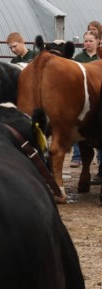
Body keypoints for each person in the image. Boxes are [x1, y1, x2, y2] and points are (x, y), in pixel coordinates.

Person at [72, 30, 100, 179]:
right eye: (86, 41)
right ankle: (78, 160)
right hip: (83, 100)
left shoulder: (100, 57)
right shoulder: (78, 58)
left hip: (98, 99)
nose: (88, 43)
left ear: (97, 42)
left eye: (90, 41)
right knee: (80, 131)